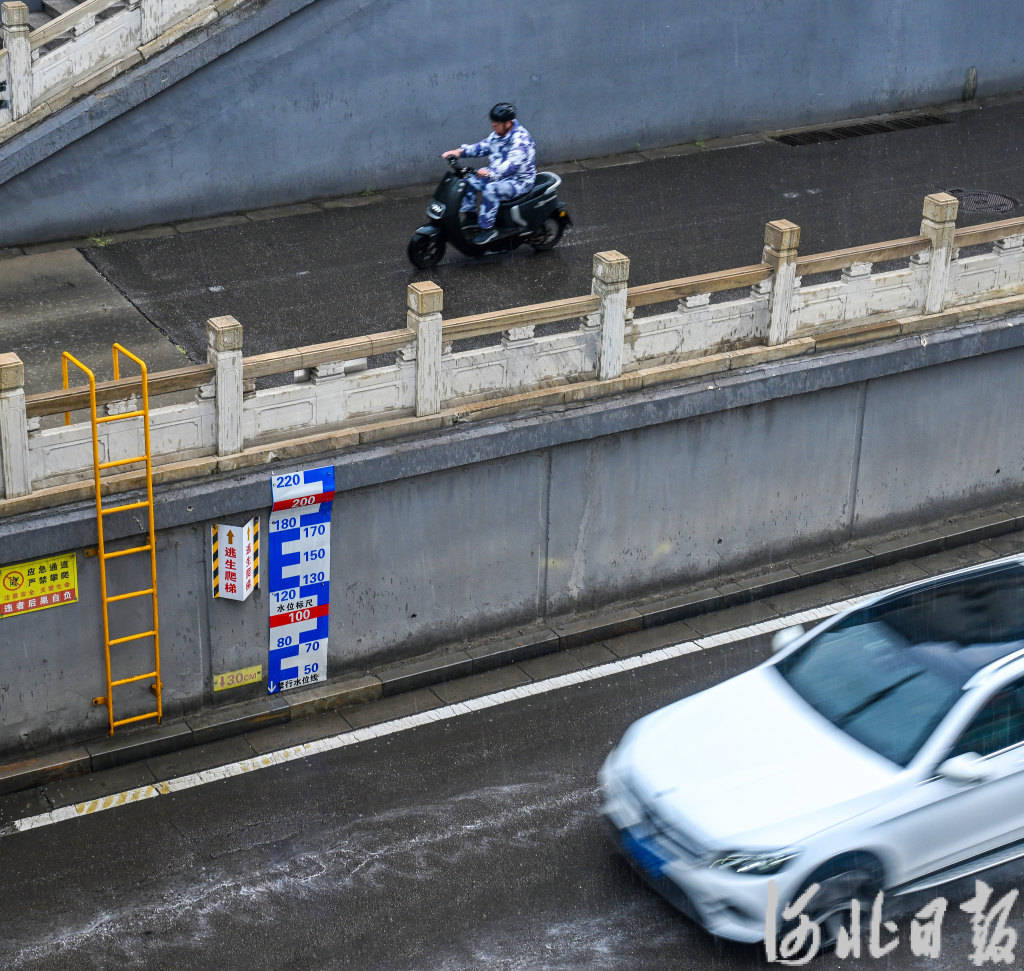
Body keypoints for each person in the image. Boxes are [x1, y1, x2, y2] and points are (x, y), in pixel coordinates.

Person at [442, 103, 537, 245]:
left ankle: (488, 229)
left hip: (519, 181)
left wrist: (491, 172)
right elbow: (482, 147)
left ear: (508, 123)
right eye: (492, 122)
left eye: (496, 123)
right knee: (467, 178)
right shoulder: (498, 135)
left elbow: (512, 165)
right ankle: (470, 216)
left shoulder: (520, 139)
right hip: (498, 176)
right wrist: (458, 152)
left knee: (491, 190)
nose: (493, 125)